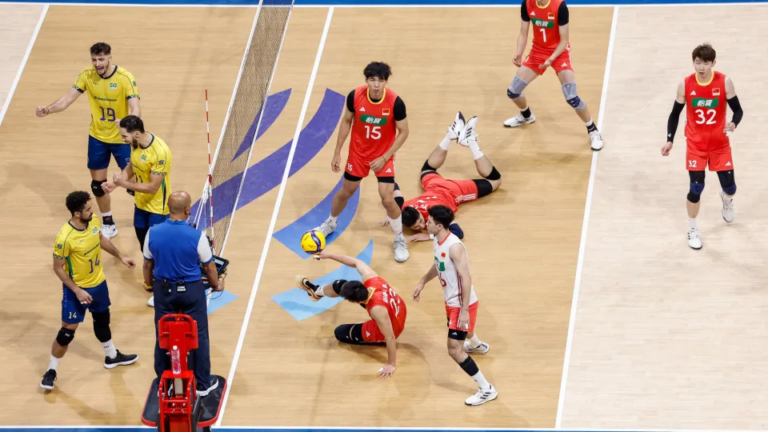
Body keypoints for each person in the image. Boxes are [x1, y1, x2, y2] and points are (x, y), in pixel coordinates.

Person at [36, 42, 141, 238]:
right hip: (97, 137)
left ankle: (147, 215)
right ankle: (108, 222)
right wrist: (48, 110)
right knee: (97, 185)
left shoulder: (124, 77)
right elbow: (67, 99)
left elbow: (135, 107)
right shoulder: (87, 75)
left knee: (136, 183)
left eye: (101, 59)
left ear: (109, 57)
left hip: (121, 139)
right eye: (94, 60)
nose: (97, 64)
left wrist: (128, 125)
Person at [314, 62, 410, 263]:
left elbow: (404, 132)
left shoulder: (395, 102)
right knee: (346, 191)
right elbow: (346, 121)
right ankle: (331, 223)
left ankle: (399, 239)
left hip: (383, 156)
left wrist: (385, 157)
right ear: (366, 80)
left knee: (387, 198)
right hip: (358, 154)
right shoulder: (355, 96)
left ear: (386, 82)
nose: (376, 85)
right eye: (372, 80)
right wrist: (337, 152)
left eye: (380, 81)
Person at [41, 191, 139, 390]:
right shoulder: (64, 238)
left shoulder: (93, 221)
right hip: (77, 290)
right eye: (87, 209)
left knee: (102, 319)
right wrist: (77, 291)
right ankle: (51, 371)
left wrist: (121, 256)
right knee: (66, 334)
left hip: (99, 284)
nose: (92, 211)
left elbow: (100, 239)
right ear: (77, 213)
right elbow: (58, 268)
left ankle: (111, 356)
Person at [413, 206, 497, 406]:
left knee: (454, 350)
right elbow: (439, 264)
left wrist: (464, 310)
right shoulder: (437, 240)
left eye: (429, 222)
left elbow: (466, 278)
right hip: (451, 301)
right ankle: (477, 345)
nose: (425, 224)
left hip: (460, 304)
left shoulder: (455, 247)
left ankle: (486, 389)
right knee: (464, 333)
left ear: (439, 226)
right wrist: (423, 281)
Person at [143, 191, 225, 397]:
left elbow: (147, 264)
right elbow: (209, 267)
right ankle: (202, 384)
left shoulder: (152, 232)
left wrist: (149, 285)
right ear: (188, 210)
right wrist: (217, 284)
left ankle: (164, 383)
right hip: (191, 292)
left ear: (168, 209)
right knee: (199, 334)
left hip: (163, 291)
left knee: (163, 333)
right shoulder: (197, 236)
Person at [662, 43, 743, 250]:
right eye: (698, 62)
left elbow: (738, 110)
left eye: (706, 63)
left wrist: (734, 123)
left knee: (731, 188)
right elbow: (674, 114)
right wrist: (670, 139)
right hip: (696, 146)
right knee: (696, 187)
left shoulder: (724, 82)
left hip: (720, 145)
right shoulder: (685, 85)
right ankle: (692, 229)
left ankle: (726, 200)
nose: (701, 67)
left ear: (713, 63)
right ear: (693, 62)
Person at [384, 112, 502, 241]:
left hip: (454, 190)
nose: (422, 226)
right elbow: (394, 186)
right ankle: (449, 135)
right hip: (433, 185)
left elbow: (458, 233)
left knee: (495, 180)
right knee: (427, 169)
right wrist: (393, 214)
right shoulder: (404, 208)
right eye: (416, 227)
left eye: (420, 221)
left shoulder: (436, 214)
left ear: (419, 213)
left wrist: (428, 236)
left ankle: (471, 142)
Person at [504, 0, 603, 151]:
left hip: (559, 53)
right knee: (513, 92)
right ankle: (526, 116)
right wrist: (519, 53)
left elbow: (564, 40)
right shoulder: (527, 4)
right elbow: (523, 33)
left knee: (572, 97)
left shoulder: (559, 6)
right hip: (537, 52)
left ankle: (593, 130)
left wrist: (551, 59)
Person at [296, 250, 406, 378]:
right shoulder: (371, 278)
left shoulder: (377, 310)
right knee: (340, 285)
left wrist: (391, 364)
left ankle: (369, 330)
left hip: (394, 325)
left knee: (340, 332)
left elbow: (390, 337)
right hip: (396, 307)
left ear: (357, 302)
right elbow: (356, 262)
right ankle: (316, 292)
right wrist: (329, 255)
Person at [103, 115, 172, 306]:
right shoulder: (136, 143)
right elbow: (133, 165)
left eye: (124, 136)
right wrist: (115, 184)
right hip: (140, 206)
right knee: (145, 250)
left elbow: (153, 187)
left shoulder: (160, 152)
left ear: (136, 134)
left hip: (158, 209)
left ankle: (162, 291)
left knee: (157, 252)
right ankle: (153, 283)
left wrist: (124, 184)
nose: (122, 139)